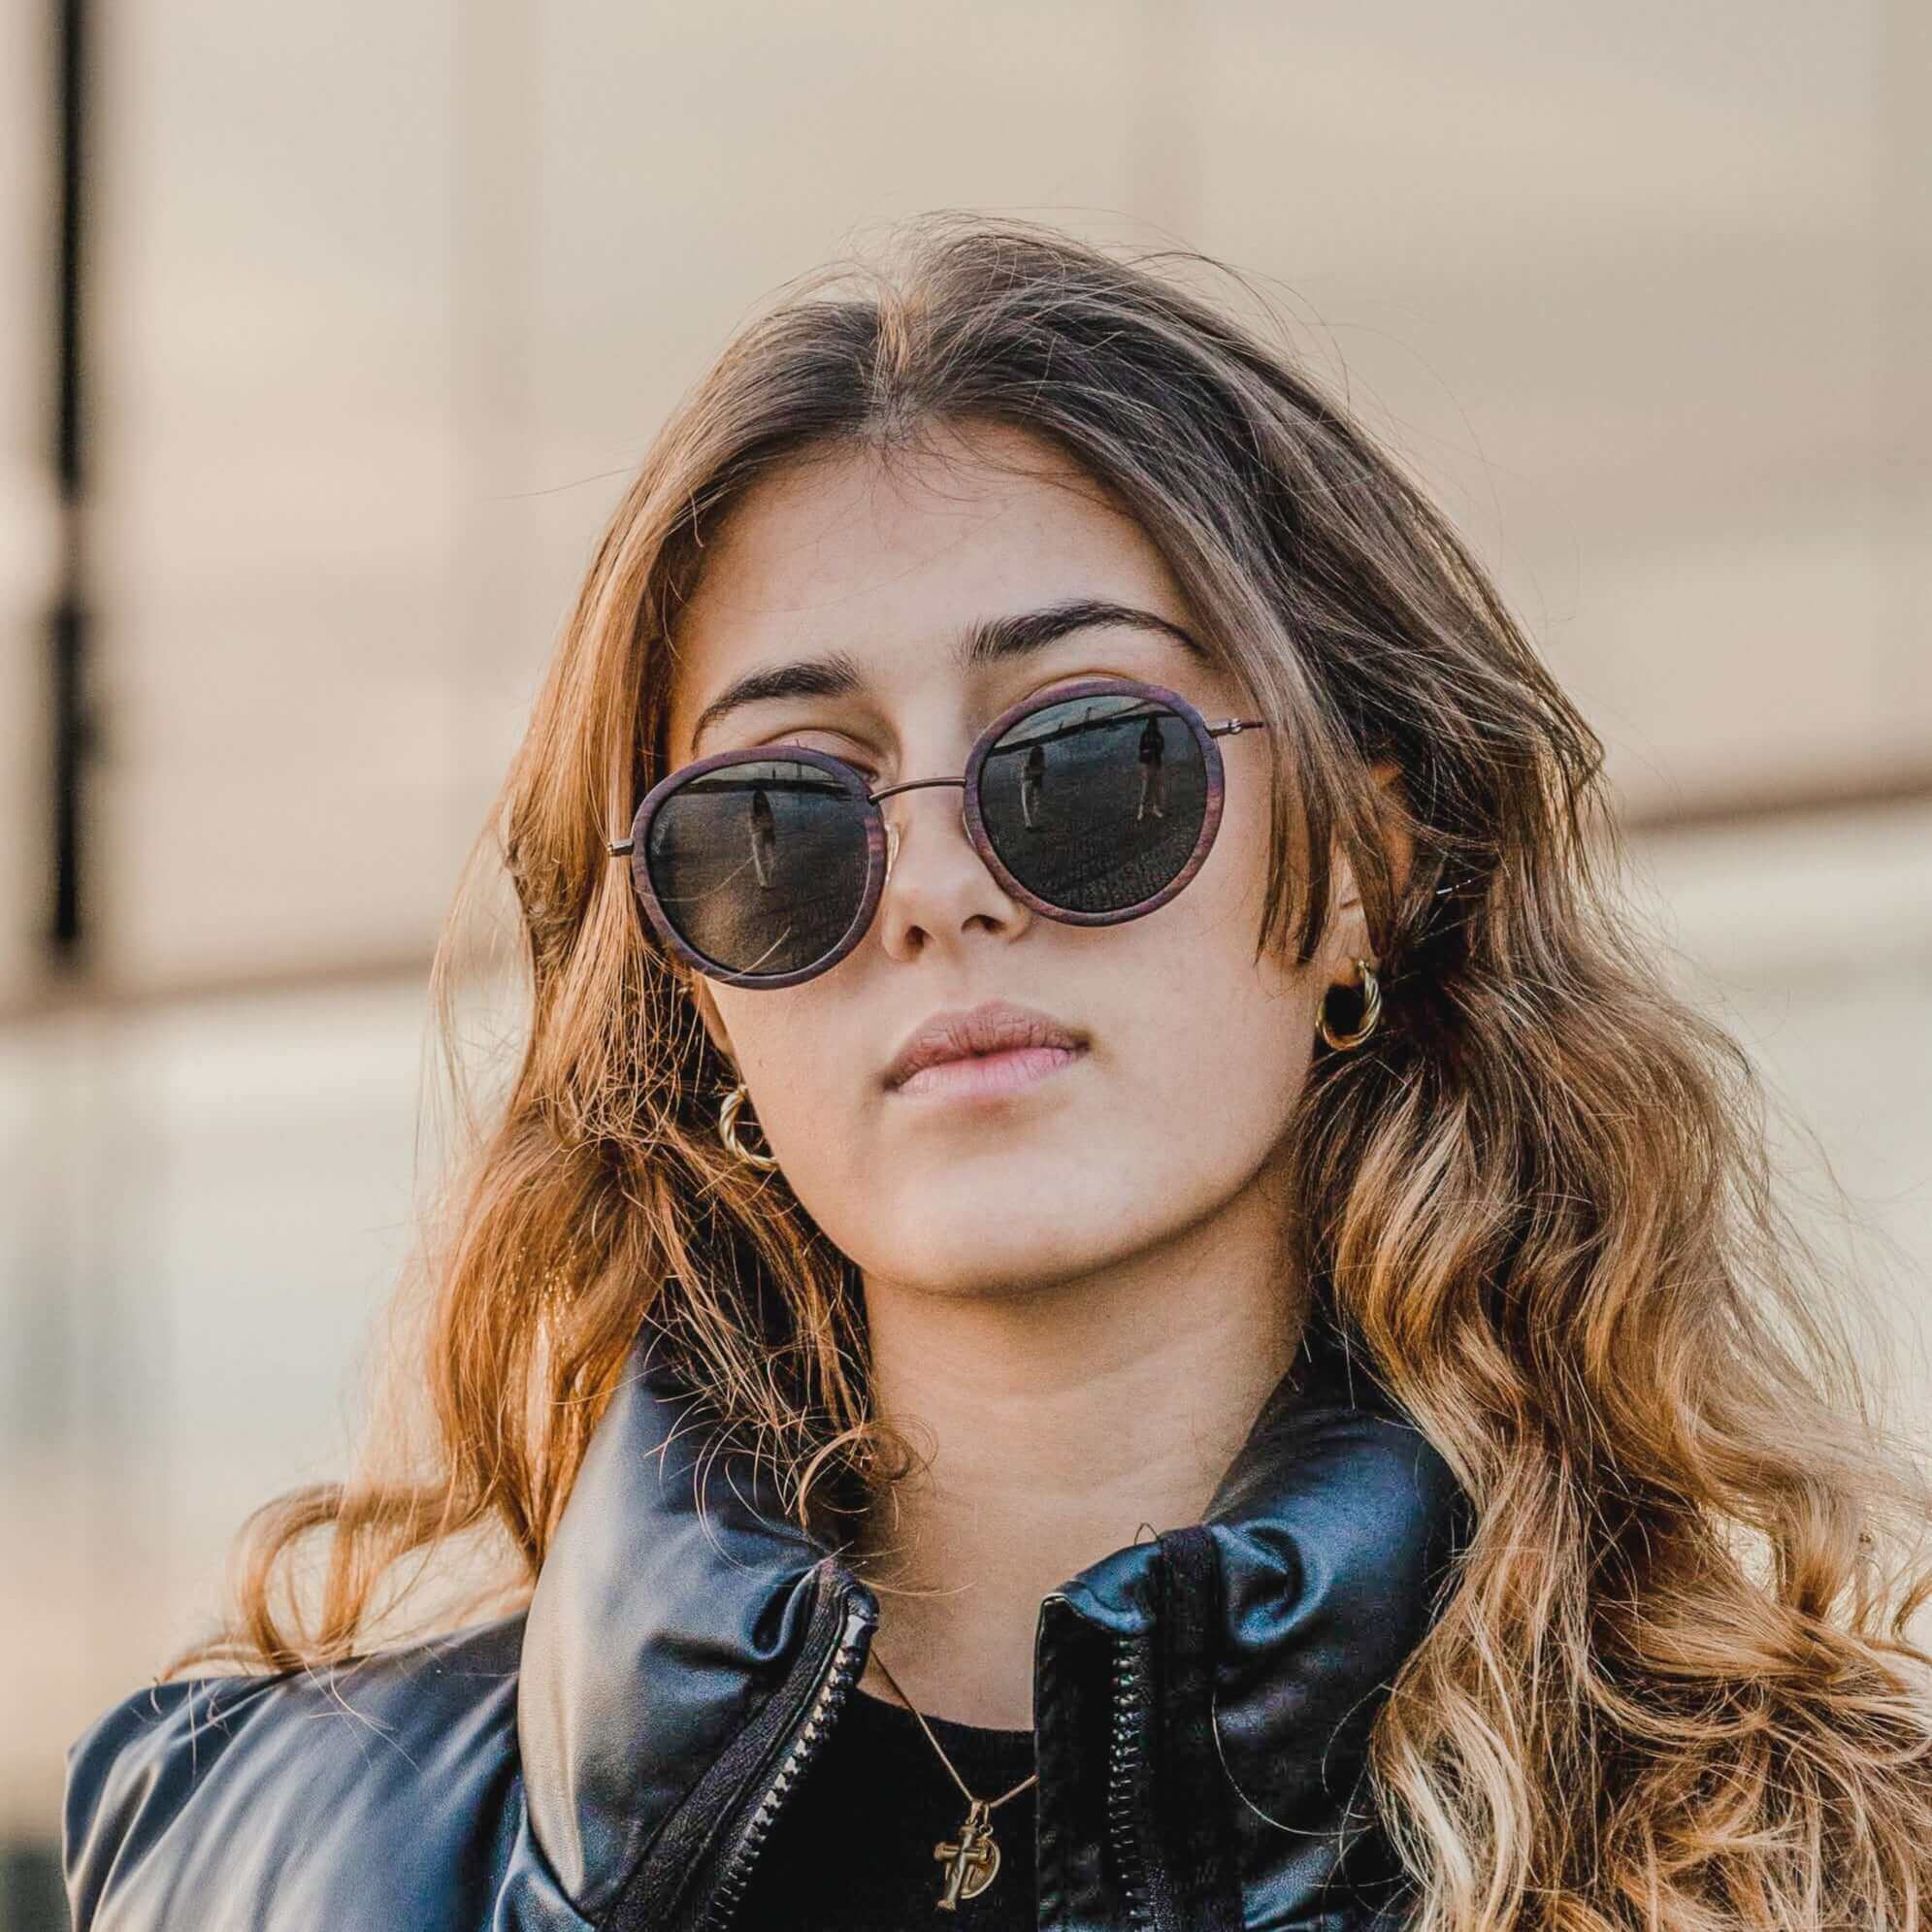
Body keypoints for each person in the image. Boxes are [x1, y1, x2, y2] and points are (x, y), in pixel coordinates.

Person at [62, 214, 1932, 1931]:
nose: (940, 892)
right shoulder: (267, 1853)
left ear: (1362, 868)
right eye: (783, 816)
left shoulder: (1813, 1856)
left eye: (1087, 763)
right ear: (699, 999)